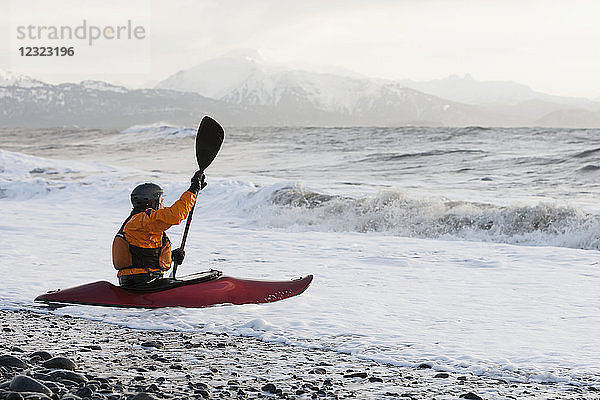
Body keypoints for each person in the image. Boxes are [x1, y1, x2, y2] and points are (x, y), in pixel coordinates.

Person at [112, 171, 206, 287]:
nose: (163, 205)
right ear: (152, 203)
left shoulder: (139, 221)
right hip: (143, 281)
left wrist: (171, 256)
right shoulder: (145, 220)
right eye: (161, 201)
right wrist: (193, 190)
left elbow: (144, 254)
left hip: (139, 279)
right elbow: (175, 215)